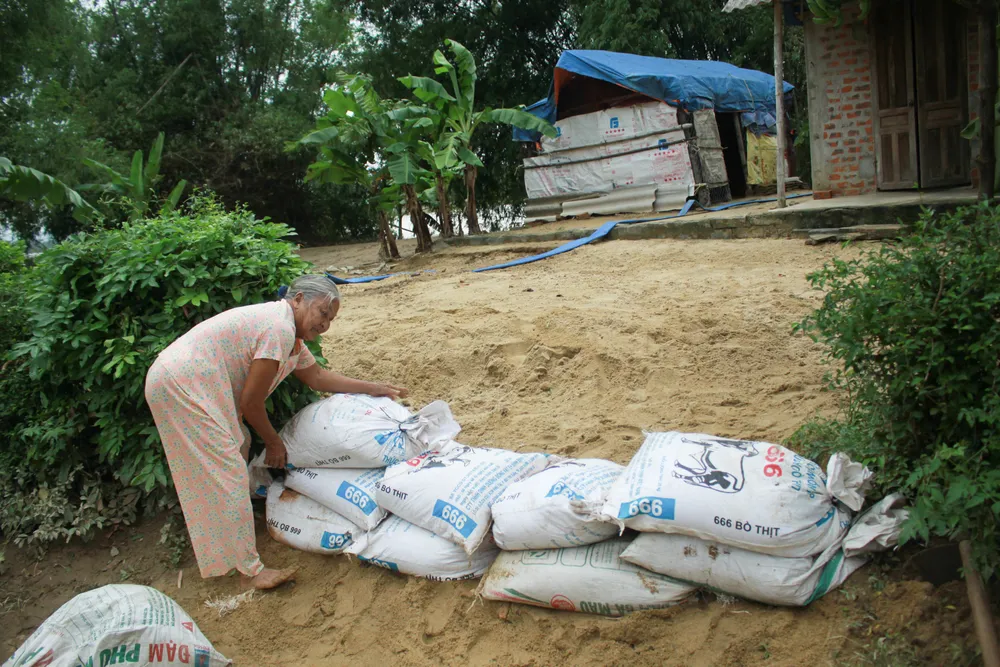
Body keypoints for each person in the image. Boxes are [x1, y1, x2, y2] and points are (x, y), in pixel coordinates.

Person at [144, 275, 407, 589]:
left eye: (331, 318)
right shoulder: (278, 329)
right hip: (182, 383)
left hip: (185, 380)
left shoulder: (290, 336)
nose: (325, 324)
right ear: (297, 299)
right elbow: (252, 402)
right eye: (322, 312)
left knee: (236, 452)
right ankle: (250, 572)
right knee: (227, 468)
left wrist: (374, 388)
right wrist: (274, 443)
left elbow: (318, 377)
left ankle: (231, 548)